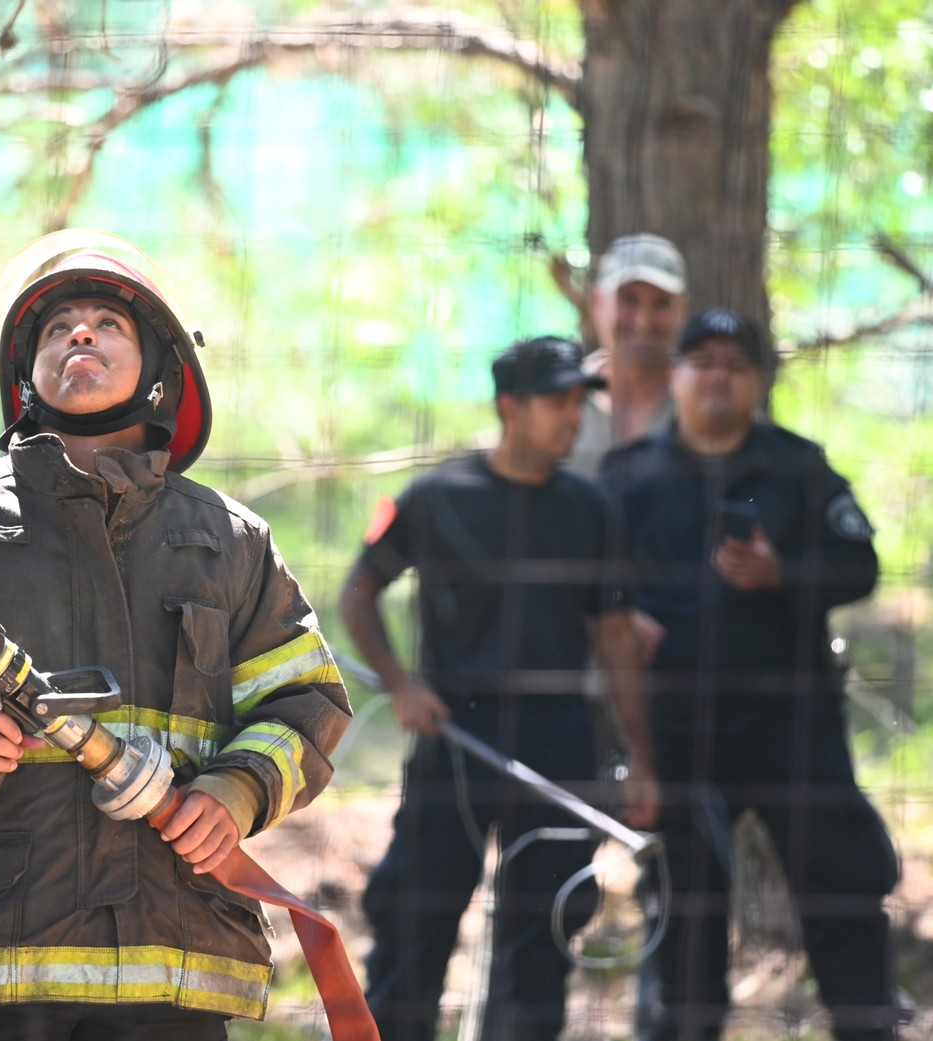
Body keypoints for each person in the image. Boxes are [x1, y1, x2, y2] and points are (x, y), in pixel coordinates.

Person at [0, 230, 352, 1040]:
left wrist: (234, 793)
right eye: (58, 327)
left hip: (172, 959)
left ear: (164, 368)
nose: (80, 335)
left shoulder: (228, 541)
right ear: (23, 372)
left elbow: (305, 701)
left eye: (107, 323)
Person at [341, 335, 658, 1041]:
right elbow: (358, 594)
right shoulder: (435, 497)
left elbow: (612, 639)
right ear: (507, 405)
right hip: (452, 736)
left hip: (558, 744)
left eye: (579, 400)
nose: (571, 416)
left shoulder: (591, 507)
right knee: (412, 929)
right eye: (555, 400)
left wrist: (639, 754)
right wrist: (401, 684)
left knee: (540, 943)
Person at [600, 307, 899, 1041]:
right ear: (675, 374)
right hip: (676, 733)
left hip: (792, 728)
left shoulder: (799, 464)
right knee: (684, 917)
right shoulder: (627, 475)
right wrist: (618, 616)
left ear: (758, 382)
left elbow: (859, 567)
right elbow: (583, 584)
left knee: (841, 896)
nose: (717, 377)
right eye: (701, 361)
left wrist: (781, 573)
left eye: (735, 364)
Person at [565, 232, 689, 478]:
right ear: (597, 302)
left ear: (682, 310)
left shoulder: (710, 401)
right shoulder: (560, 399)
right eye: (629, 301)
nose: (643, 322)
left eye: (661, 303)